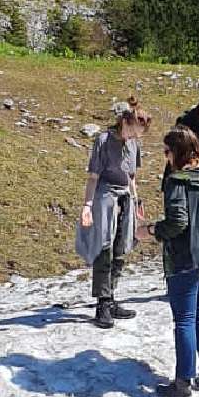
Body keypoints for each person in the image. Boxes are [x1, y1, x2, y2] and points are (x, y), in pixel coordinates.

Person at [149, 125, 199, 397]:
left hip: (187, 259)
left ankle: (182, 383)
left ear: (178, 153)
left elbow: (178, 221)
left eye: (167, 152)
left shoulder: (177, 182)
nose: (165, 157)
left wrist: (151, 231)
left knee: (184, 319)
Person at [76, 98, 151, 327]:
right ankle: (102, 302)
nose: (135, 136)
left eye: (139, 133)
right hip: (105, 197)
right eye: (133, 130)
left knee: (121, 247)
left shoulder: (133, 144)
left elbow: (131, 176)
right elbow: (93, 177)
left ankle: (112, 296)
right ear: (124, 122)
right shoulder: (104, 140)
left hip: (125, 197)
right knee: (104, 247)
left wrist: (137, 202)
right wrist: (87, 205)